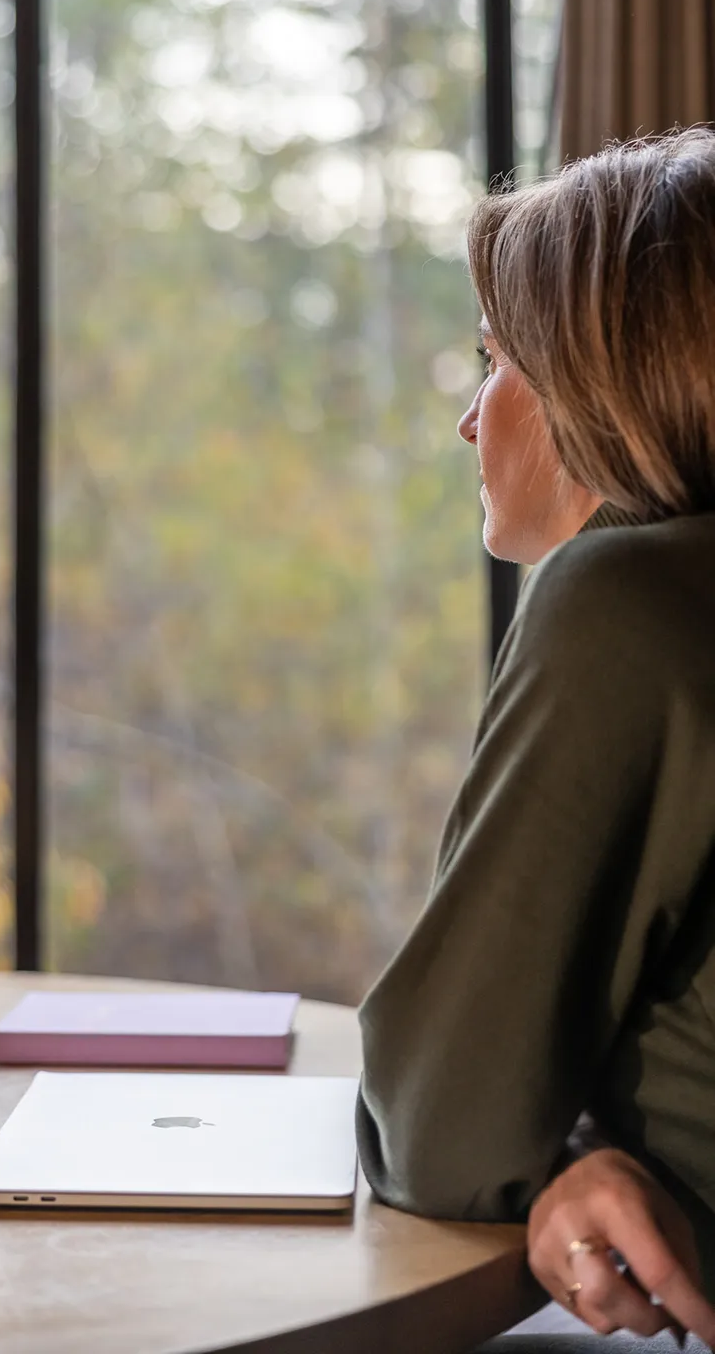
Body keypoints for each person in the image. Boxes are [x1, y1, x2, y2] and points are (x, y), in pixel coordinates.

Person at [355, 127, 715, 1348]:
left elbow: (435, 1124)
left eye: (495, 361)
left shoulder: (624, 603)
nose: (470, 419)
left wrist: (555, 1159)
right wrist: (578, 1153)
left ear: (605, 383)